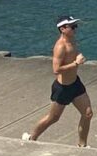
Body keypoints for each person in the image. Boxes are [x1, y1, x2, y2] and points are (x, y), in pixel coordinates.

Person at [22, 16, 93, 147]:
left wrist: (77, 56)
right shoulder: (60, 46)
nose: (75, 29)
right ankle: (31, 137)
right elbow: (56, 69)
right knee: (53, 118)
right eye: (72, 27)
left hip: (75, 84)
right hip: (63, 88)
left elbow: (73, 54)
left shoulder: (72, 40)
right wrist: (75, 63)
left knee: (87, 114)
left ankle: (82, 146)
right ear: (62, 29)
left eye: (75, 26)